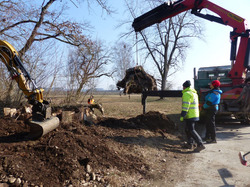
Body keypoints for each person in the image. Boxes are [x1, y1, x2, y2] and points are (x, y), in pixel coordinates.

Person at [180, 80, 205, 152]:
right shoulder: (194, 93)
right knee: (187, 129)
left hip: (190, 115)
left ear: (184, 87)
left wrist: (182, 115)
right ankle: (190, 143)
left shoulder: (186, 94)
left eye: (183, 87)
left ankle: (200, 144)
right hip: (195, 114)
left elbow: (186, 106)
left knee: (191, 130)